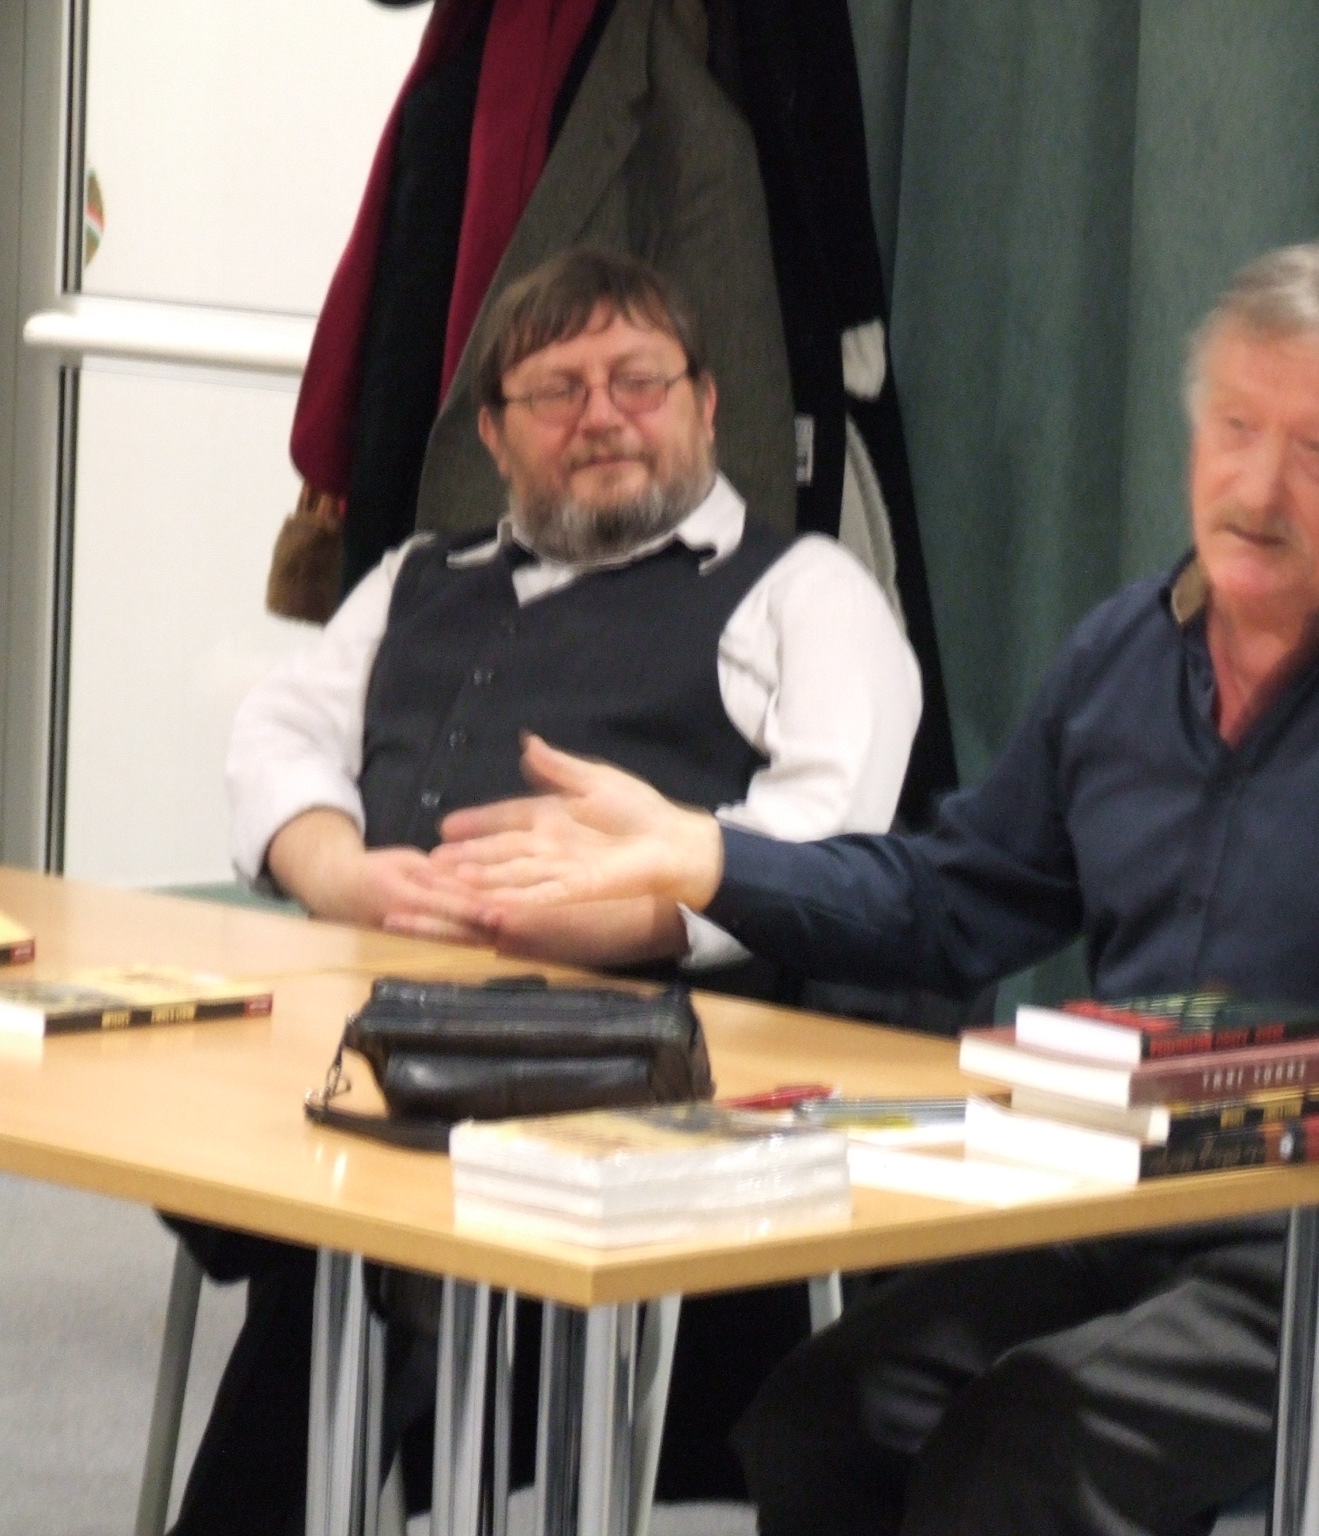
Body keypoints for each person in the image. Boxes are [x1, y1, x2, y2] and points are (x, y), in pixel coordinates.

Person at [435, 238, 1319, 1536]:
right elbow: (951, 902)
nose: (1256, 488)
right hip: (1129, 1204)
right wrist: (707, 856)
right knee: (821, 1415)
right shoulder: (1126, 659)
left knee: (1023, 1455)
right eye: (1235, 429)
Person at [170, 245, 919, 1536]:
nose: (602, 416)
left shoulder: (805, 593)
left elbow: (827, 839)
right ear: (495, 436)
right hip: (382, 1039)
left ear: (706, 406)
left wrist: (617, 906)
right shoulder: (414, 575)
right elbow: (278, 734)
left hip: (666, 1083)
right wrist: (338, 871)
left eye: (639, 381)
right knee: (250, 1144)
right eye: (557, 391)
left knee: (341, 1243)